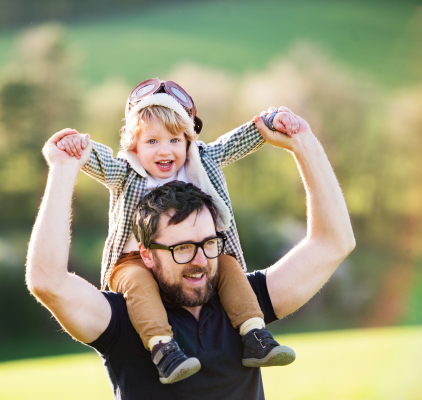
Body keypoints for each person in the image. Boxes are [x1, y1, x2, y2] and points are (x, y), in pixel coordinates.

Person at [26, 110, 355, 399]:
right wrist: (64, 169)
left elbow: (333, 243)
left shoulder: (242, 297)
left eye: (209, 243)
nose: (200, 260)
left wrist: (304, 143)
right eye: (182, 248)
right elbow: (47, 281)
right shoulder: (122, 320)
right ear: (147, 255)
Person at [51, 79, 299, 383]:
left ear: (188, 141)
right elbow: (101, 162)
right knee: (137, 284)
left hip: (194, 251)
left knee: (228, 267)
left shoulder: (200, 162)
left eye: (174, 140)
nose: (164, 151)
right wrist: (78, 146)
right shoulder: (128, 171)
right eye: (151, 142)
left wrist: (272, 121)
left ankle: (254, 334)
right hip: (133, 259)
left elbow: (236, 141)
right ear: (134, 146)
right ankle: (163, 349)